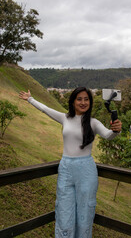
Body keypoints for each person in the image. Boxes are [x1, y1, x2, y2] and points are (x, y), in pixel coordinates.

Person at [19, 87, 122, 238]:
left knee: (85, 211)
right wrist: (30, 99)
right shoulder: (65, 118)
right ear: (73, 101)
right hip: (66, 169)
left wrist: (116, 130)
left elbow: (108, 135)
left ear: (90, 102)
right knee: (64, 209)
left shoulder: (94, 123)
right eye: (79, 99)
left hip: (86, 170)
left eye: (86, 99)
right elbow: (45, 109)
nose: (83, 102)